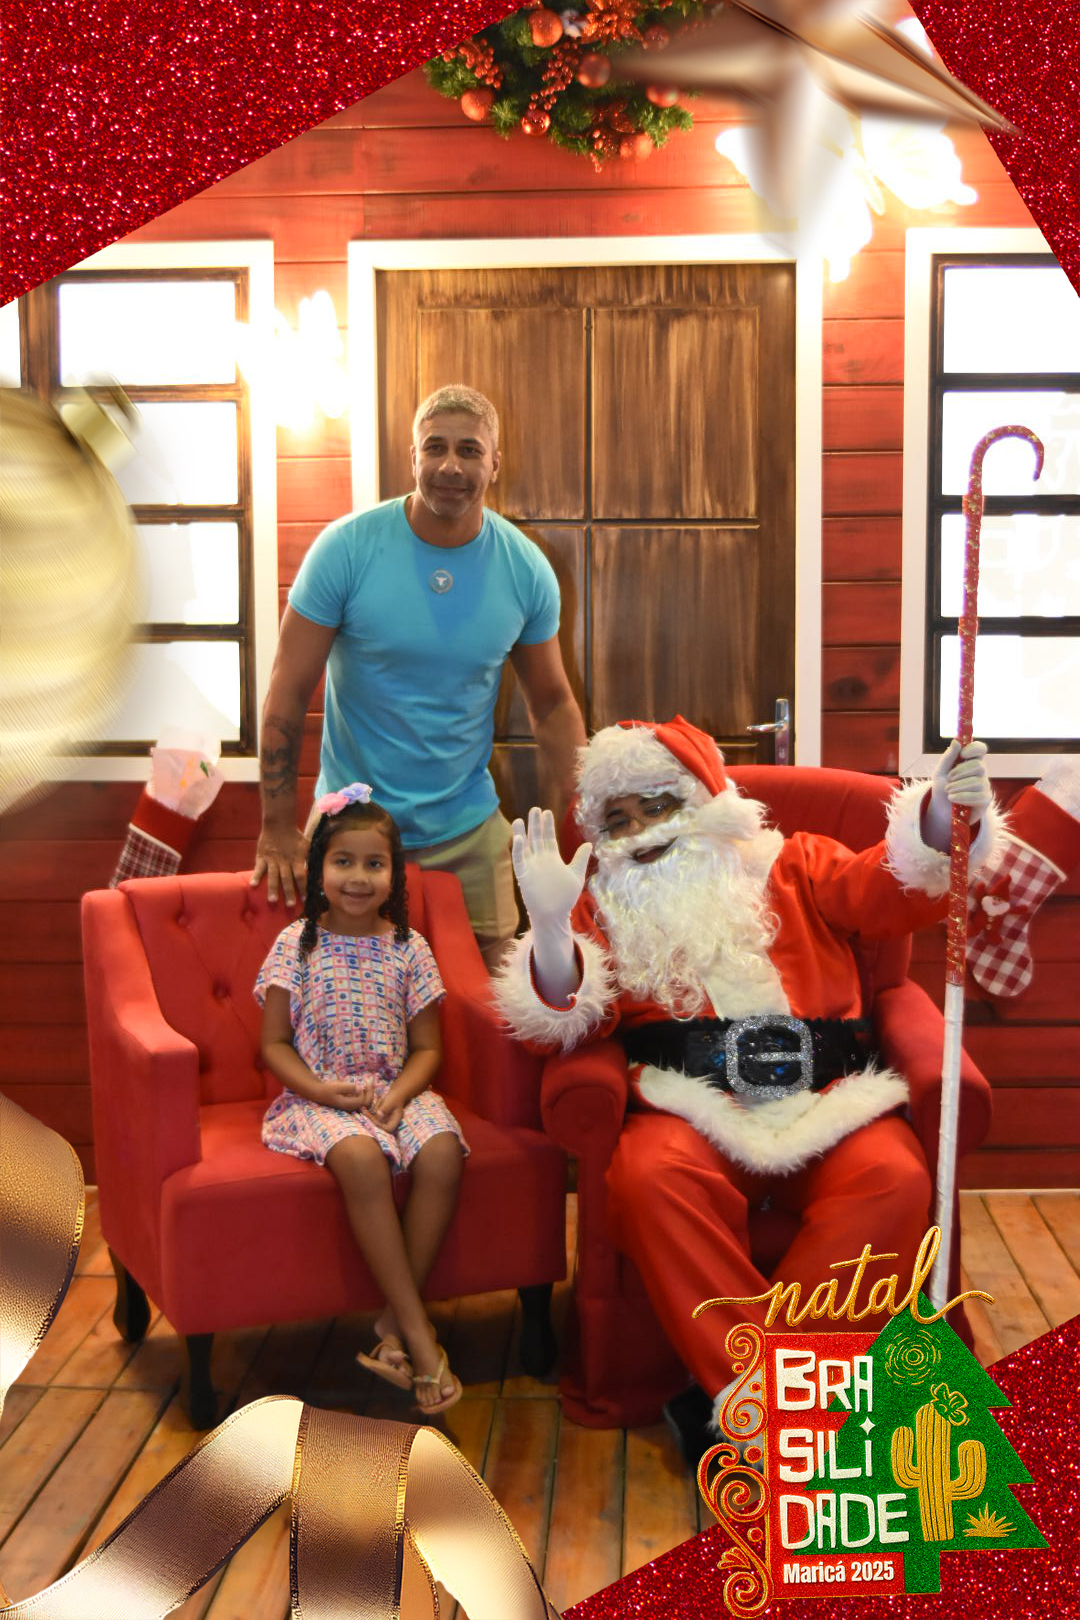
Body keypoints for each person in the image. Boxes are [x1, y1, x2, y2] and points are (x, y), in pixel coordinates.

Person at [493, 716, 999, 1465]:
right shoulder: (598, 901)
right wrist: (548, 930)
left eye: (657, 805)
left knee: (894, 1179)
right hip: (690, 1105)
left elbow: (888, 892)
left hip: (829, 1098)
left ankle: (752, 1399)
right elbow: (559, 1028)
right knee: (648, 1179)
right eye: (617, 819)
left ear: (705, 797)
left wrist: (939, 816)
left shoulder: (796, 862)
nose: (640, 832)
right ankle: (783, 1406)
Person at [252, 384, 586, 968]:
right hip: (351, 827)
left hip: (467, 828)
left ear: (495, 464)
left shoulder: (526, 569)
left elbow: (553, 705)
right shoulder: (345, 550)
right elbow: (287, 690)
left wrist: (584, 822)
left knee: (494, 1001)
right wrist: (278, 826)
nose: (451, 465)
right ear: (413, 458)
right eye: (435, 448)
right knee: (343, 997)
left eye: (469, 450)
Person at [255, 782, 467, 1414]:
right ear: (319, 868)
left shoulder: (409, 947)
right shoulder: (295, 944)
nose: (357, 877)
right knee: (359, 1157)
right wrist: (319, 1089)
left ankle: (391, 1326)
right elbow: (273, 1044)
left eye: (374, 864)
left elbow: (427, 1048)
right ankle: (420, 1339)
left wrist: (400, 1094)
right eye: (343, 861)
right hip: (318, 1095)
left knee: (443, 1152)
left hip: (397, 1089)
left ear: (393, 874)